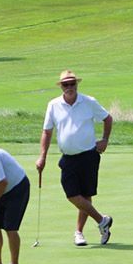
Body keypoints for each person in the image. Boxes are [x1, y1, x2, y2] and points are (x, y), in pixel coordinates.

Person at [37, 70, 113, 246]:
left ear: (77, 84)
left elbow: (108, 119)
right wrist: (42, 156)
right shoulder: (53, 105)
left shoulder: (89, 102)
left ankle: (79, 233)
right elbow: (47, 132)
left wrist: (105, 140)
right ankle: (102, 220)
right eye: (66, 84)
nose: (69, 87)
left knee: (86, 195)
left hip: (89, 155)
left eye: (72, 84)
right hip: (68, 157)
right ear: (61, 86)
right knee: (72, 195)